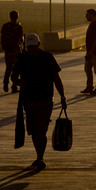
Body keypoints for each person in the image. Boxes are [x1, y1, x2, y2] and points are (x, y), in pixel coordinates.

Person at [11, 33, 67, 171]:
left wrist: (63, 97)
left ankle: (40, 158)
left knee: (41, 130)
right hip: (28, 101)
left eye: (34, 46)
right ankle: (38, 155)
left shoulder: (48, 57)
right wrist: (19, 83)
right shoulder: (22, 59)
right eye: (29, 47)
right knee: (34, 131)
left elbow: (57, 78)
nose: (32, 49)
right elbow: (13, 76)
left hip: (46, 100)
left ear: (39, 44)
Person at [81, 9, 96, 95]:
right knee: (87, 69)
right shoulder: (91, 25)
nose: (86, 17)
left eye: (88, 15)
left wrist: (91, 51)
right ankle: (89, 86)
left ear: (92, 15)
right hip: (89, 52)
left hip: (95, 52)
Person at [1, 10, 23, 93]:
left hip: (7, 50)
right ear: (17, 17)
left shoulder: (5, 26)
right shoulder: (18, 27)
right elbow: (21, 39)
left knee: (8, 67)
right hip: (15, 50)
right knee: (16, 69)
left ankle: (5, 82)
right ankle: (14, 86)